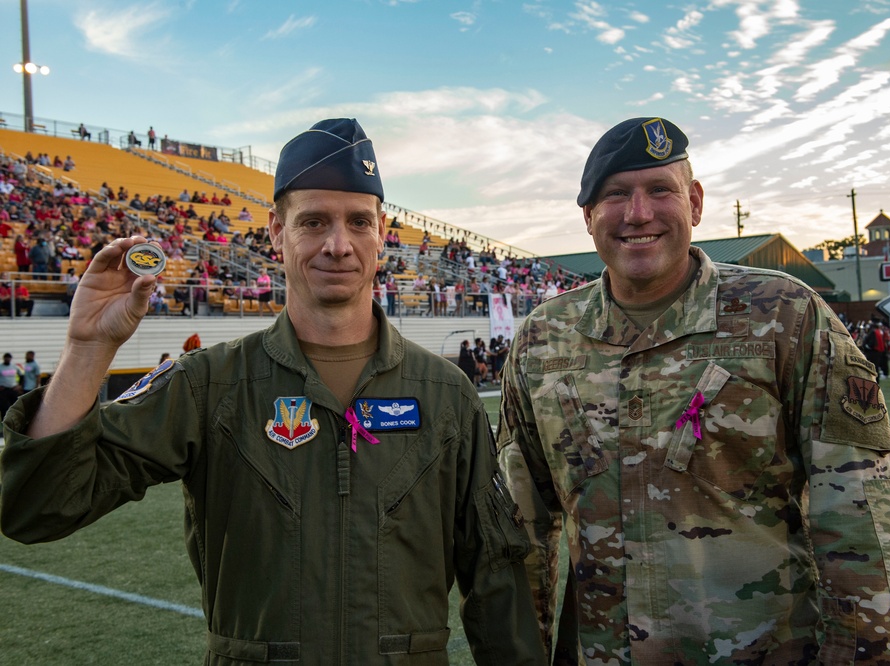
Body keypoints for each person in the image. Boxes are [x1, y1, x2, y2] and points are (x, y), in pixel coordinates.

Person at [1, 118, 543, 665]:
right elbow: (37, 509)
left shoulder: (445, 394)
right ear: (276, 231)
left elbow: (496, 578)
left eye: (358, 222)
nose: (339, 245)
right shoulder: (208, 384)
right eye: (313, 222)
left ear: (382, 232)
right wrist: (88, 348)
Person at [497, 117, 890, 664]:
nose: (638, 213)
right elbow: (518, 529)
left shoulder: (784, 315)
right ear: (588, 216)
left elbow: (863, 515)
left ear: (694, 203)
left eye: (659, 190)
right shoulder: (543, 338)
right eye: (615, 194)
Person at [0, 352, 22, 419]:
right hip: (4, 390)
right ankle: (4, 420)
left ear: (10, 359)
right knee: (4, 406)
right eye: (6, 358)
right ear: (4, 358)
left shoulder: (14, 367)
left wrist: (19, 385)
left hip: (13, 389)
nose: (7, 359)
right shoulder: (1, 367)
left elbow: (22, 376)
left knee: (14, 405)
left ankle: (14, 419)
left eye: (8, 358)